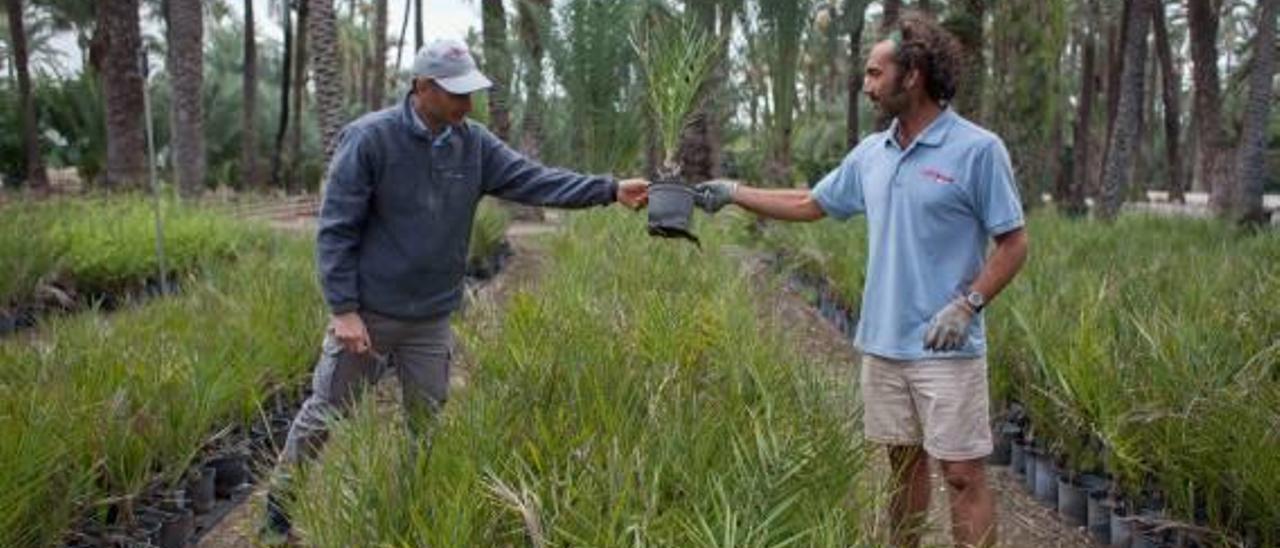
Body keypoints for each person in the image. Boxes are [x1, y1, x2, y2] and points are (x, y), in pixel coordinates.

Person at [260, 38, 649, 542]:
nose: (467, 104)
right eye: (456, 93)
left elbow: (536, 180)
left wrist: (609, 189)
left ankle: (411, 512)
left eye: (471, 93)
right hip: (371, 315)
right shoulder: (370, 140)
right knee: (325, 413)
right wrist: (344, 310)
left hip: (430, 318)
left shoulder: (475, 144)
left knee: (428, 424)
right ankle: (276, 514)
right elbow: (336, 230)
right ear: (422, 87)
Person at [696, 13, 1028, 548]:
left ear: (912, 74)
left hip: (947, 349)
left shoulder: (977, 149)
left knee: (963, 474)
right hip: (884, 344)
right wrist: (734, 191)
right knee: (902, 470)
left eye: (876, 74)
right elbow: (809, 203)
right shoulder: (873, 154)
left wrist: (968, 305)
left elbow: (1015, 243)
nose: (866, 86)